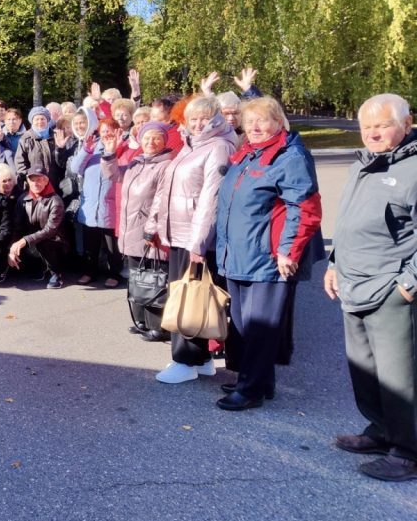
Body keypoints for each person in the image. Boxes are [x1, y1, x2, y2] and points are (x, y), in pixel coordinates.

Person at [324, 93, 417, 481]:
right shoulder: (364, 165)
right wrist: (333, 264)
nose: (373, 133)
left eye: (383, 125)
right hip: (353, 284)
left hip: (392, 289)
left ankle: (408, 451)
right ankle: (381, 431)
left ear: (407, 125)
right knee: (364, 369)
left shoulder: (413, 168)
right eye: (367, 127)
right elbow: (347, 221)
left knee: (399, 377)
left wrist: (408, 283)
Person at [215, 96, 322, 411]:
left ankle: (251, 390)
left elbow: (304, 208)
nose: (255, 127)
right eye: (249, 122)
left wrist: (288, 251)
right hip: (239, 254)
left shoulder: (290, 157)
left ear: (278, 122)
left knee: (260, 327)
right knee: (246, 325)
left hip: (268, 258)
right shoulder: (248, 154)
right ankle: (259, 380)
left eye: (262, 120)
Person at [146, 95, 237, 383]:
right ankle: (201, 359)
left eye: (203, 118)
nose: (197, 123)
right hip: (179, 234)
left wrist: (198, 243)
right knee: (189, 295)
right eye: (192, 118)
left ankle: (185, 361)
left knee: (188, 299)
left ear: (216, 119)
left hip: (194, 238)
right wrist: (155, 225)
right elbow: (167, 188)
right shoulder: (189, 146)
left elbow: (211, 199)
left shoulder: (218, 147)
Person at [101, 121, 175, 340]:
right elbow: (113, 175)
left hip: (149, 233)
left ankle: (158, 325)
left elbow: (162, 201)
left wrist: (151, 229)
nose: (150, 143)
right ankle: (141, 320)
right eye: (146, 138)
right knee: (137, 276)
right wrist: (110, 153)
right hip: (131, 230)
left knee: (154, 278)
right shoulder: (137, 161)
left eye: (156, 138)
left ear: (164, 141)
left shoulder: (165, 165)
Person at [69, 117, 124, 287]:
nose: (106, 134)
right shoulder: (92, 148)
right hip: (90, 204)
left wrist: (115, 149)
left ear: (116, 131)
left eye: (110, 130)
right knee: (90, 244)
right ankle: (89, 272)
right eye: (103, 130)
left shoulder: (122, 147)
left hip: (110, 204)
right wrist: (86, 150)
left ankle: (114, 273)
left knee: (111, 246)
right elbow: (75, 168)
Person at [9, 168, 67, 288]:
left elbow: (50, 230)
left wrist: (24, 241)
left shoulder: (56, 201)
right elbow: (17, 227)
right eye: (32, 180)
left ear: (46, 181)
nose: (36, 183)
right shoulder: (23, 199)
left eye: (40, 179)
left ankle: (56, 273)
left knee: (43, 243)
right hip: (33, 242)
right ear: (28, 181)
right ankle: (39, 267)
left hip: (56, 243)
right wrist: (12, 248)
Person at [15, 106, 71, 188]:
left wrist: (61, 149)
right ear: (32, 121)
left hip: (55, 183)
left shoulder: (56, 136)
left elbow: (63, 162)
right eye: (36, 119)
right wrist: (29, 179)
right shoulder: (25, 139)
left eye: (42, 119)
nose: (40, 121)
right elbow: (20, 163)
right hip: (34, 184)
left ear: (47, 120)